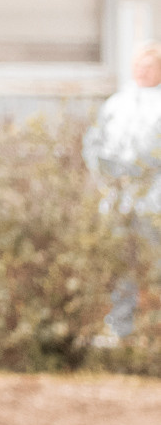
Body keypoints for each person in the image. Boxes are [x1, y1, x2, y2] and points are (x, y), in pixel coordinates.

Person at [85, 42, 161, 340]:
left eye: (150, 66)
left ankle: (153, 330)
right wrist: (107, 171)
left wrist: (134, 169)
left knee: (154, 265)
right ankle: (120, 329)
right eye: (139, 65)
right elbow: (94, 142)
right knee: (120, 267)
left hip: (153, 202)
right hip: (118, 202)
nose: (143, 71)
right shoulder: (117, 103)